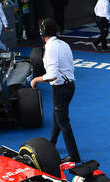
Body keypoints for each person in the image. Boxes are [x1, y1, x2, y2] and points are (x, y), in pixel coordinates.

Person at [30, 18, 80, 163]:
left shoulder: (51, 48)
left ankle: (74, 155)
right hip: (69, 86)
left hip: (60, 88)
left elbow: (52, 76)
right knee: (58, 115)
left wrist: (35, 79)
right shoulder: (63, 44)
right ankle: (52, 143)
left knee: (63, 120)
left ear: (42, 32)